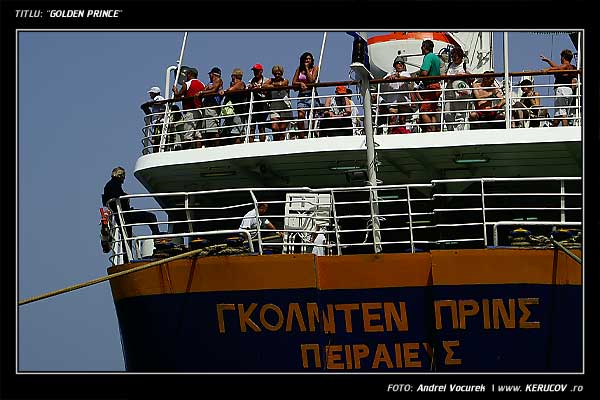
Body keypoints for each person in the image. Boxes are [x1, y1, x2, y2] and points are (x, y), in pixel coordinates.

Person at [102, 167, 163, 240]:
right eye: (123, 175)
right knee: (151, 217)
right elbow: (116, 194)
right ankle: (156, 235)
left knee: (127, 236)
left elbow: (109, 198)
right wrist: (125, 196)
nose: (124, 178)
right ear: (119, 175)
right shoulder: (114, 184)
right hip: (125, 214)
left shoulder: (110, 184)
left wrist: (124, 196)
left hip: (121, 214)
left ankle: (126, 250)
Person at [540, 49, 576, 126]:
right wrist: (548, 61)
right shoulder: (571, 67)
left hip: (562, 90)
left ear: (563, 57)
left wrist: (548, 69)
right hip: (568, 91)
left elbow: (559, 68)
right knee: (558, 114)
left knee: (563, 114)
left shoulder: (566, 66)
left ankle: (565, 132)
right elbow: (558, 67)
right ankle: (553, 128)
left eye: (561, 57)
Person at [172, 67, 205, 149]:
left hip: (190, 111)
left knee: (188, 134)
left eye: (187, 74)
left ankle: (186, 151)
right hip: (200, 111)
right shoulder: (202, 84)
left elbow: (178, 96)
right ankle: (198, 150)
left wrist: (175, 90)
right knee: (198, 134)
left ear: (190, 74)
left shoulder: (187, 84)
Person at [415, 40, 442, 132]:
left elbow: (425, 72)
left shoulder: (428, 57)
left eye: (422, 46)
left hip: (431, 87)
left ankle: (430, 131)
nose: (421, 48)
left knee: (423, 111)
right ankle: (435, 130)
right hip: (437, 86)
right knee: (432, 112)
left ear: (424, 47)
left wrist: (418, 76)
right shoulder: (436, 58)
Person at [382, 56, 414, 134]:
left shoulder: (405, 74)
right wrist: (390, 77)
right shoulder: (390, 74)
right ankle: (390, 133)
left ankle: (401, 133)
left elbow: (408, 80)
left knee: (402, 119)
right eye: (398, 64)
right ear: (395, 65)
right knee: (392, 118)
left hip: (403, 101)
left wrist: (398, 76)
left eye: (401, 64)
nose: (400, 65)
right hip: (393, 100)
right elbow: (384, 80)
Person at [444, 47, 472, 131]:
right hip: (449, 93)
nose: (454, 58)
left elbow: (472, 78)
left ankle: (459, 131)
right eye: (453, 56)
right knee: (448, 114)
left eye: (456, 56)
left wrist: (463, 75)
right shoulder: (449, 65)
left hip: (461, 93)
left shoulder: (465, 65)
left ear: (460, 56)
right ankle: (450, 131)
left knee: (460, 114)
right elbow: (445, 77)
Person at [292, 52, 320, 138]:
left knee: (311, 117)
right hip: (302, 95)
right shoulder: (299, 69)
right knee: (301, 116)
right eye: (306, 59)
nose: (307, 60)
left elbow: (312, 80)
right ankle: (301, 136)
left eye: (309, 59)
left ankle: (311, 135)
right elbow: (293, 83)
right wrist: (300, 83)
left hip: (311, 94)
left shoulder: (315, 68)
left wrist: (307, 68)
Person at [263, 65, 292, 141]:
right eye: (275, 73)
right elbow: (264, 85)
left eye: (279, 73)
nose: (277, 75)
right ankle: (276, 141)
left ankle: (281, 142)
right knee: (274, 127)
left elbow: (282, 84)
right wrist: (274, 85)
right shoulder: (271, 80)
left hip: (285, 106)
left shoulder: (285, 80)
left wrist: (272, 85)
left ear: (282, 73)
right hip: (274, 106)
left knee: (282, 128)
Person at [196, 67, 224, 147]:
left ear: (213, 74)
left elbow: (214, 90)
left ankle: (216, 146)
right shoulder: (210, 83)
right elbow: (206, 89)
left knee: (214, 129)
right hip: (208, 108)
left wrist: (201, 92)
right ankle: (209, 146)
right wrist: (203, 92)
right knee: (206, 129)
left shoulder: (218, 80)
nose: (209, 76)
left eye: (210, 74)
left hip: (213, 107)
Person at [220, 68, 247, 145]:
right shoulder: (235, 84)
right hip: (232, 113)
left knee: (236, 133)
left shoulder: (241, 84)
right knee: (228, 132)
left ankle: (236, 148)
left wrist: (225, 91)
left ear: (234, 76)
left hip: (237, 112)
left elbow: (231, 90)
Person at [247, 63, 270, 142]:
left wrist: (260, 88)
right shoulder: (251, 81)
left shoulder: (266, 80)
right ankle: (251, 142)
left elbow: (268, 92)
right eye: (254, 71)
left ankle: (262, 142)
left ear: (261, 71)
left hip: (262, 104)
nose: (255, 72)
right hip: (254, 105)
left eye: (257, 71)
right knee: (252, 126)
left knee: (261, 126)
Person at [140, 86, 166, 153]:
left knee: (156, 139)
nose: (150, 95)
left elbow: (163, 109)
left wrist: (158, 119)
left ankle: (157, 151)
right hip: (156, 123)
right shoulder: (156, 99)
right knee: (155, 139)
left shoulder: (158, 98)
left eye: (151, 93)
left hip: (158, 123)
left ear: (154, 93)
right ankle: (156, 149)